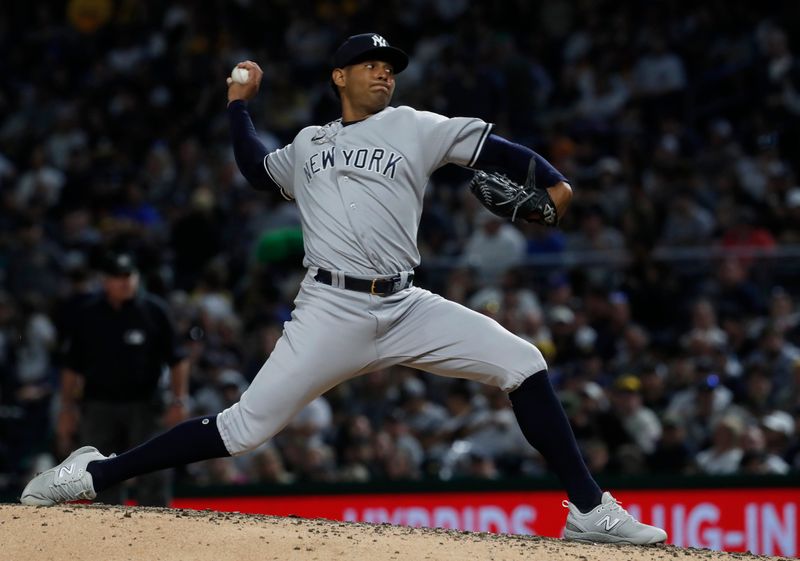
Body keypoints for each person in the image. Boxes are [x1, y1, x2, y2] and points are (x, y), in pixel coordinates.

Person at [22, 33, 666, 545]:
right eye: (370, 64)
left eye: (390, 66)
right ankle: (92, 472)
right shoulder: (308, 144)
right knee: (245, 429)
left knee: (523, 362)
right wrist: (238, 105)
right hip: (330, 308)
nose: (385, 73)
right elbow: (253, 167)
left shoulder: (415, 125)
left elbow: (496, 147)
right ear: (339, 77)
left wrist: (555, 185)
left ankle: (588, 509)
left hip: (404, 303)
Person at [52, 251, 190, 505]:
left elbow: (178, 359)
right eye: (117, 276)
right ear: (104, 281)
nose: (125, 282)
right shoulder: (87, 314)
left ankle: (157, 531)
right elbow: (72, 366)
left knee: (153, 470)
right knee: (99, 473)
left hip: (146, 405)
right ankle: (107, 535)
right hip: (99, 406)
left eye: (129, 275)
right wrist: (67, 408)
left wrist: (178, 400)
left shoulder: (153, 310)